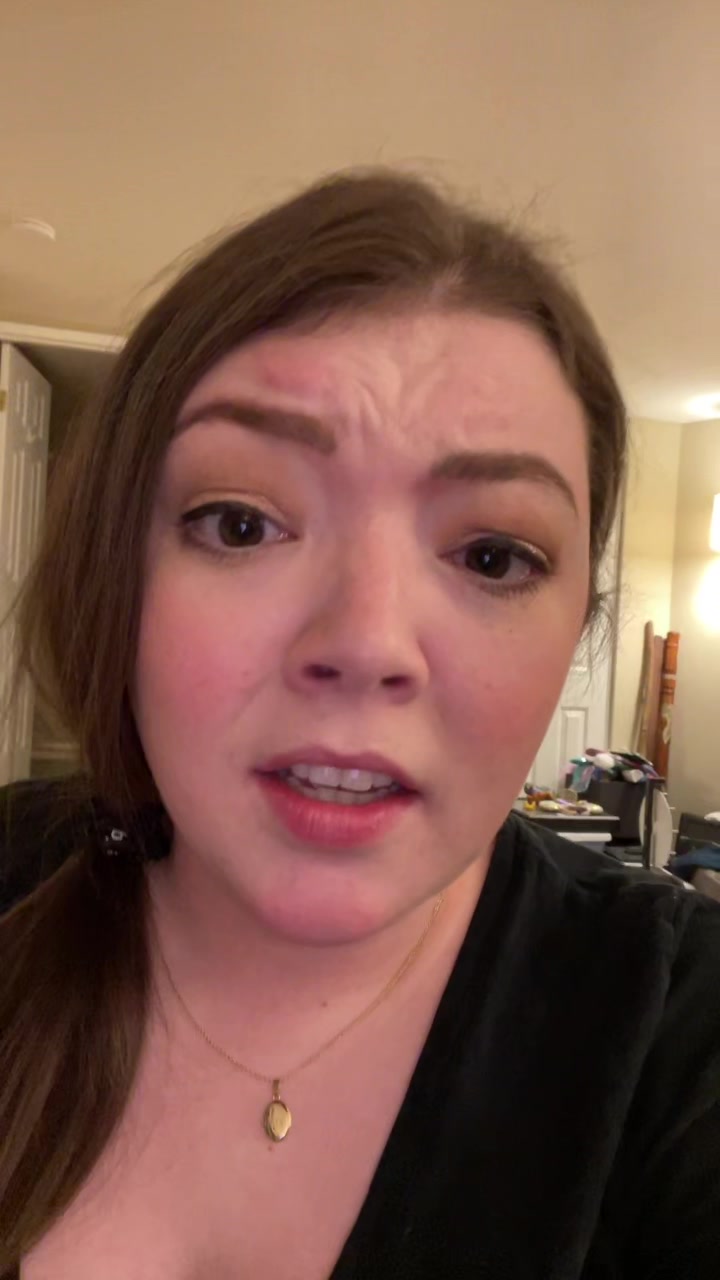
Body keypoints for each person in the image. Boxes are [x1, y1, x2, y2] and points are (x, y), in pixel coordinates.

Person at [0, 170, 718, 1280]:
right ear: (117, 571)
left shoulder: (677, 1032)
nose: (369, 641)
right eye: (241, 523)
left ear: (579, 621)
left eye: (493, 556)